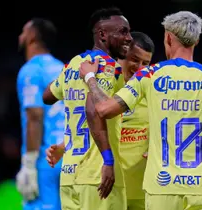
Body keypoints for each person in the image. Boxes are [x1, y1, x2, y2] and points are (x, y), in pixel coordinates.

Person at [79, 11, 202, 210]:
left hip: (161, 188)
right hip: (201, 188)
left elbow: (104, 109)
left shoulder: (149, 74)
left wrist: (90, 79)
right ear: (196, 41)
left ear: (168, 37)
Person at [43, 7, 132, 210]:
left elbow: (47, 96)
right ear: (102, 34)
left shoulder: (74, 64)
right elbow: (95, 110)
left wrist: (66, 74)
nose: (129, 38)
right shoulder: (110, 67)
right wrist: (108, 161)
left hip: (69, 175)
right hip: (98, 175)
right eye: (123, 31)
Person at [16, 18, 64, 210]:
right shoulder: (62, 68)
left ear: (32, 37)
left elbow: (34, 116)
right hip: (67, 154)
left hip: (45, 160)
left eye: (23, 32)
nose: (20, 36)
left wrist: (28, 164)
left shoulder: (31, 70)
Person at [118, 31, 154, 210]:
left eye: (145, 63)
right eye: (135, 60)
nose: (140, 68)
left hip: (143, 193)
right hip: (110, 190)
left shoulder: (153, 93)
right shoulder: (105, 88)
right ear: (123, 54)